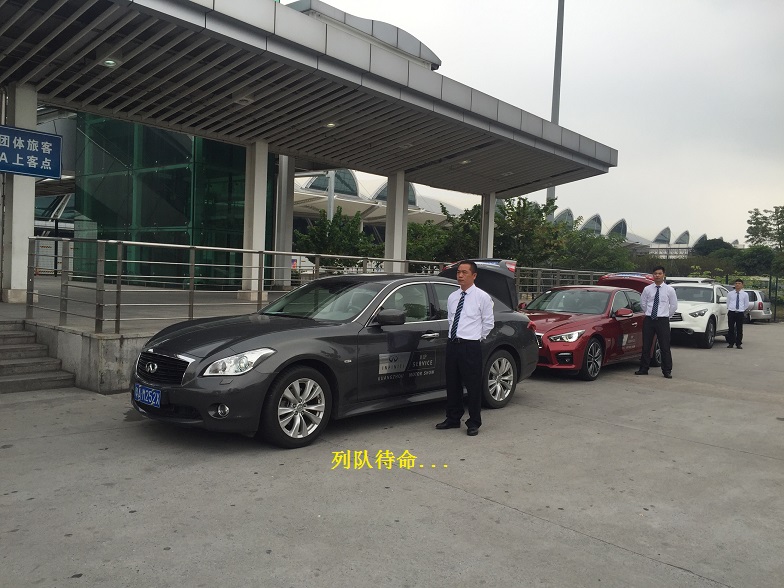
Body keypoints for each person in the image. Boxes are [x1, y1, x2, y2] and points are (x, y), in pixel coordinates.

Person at [436, 260, 494, 436]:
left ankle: (474, 422)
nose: (460, 275)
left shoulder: (482, 297)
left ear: (474, 275)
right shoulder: (453, 297)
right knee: (452, 383)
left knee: (473, 385)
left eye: (464, 272)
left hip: (470, 345)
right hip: (453, 344)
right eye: (458, 272)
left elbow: (488, 323)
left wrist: (475, 337)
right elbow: (451, 319)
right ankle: (453, 418)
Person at [635, 266, 678, 378]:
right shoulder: (647, 289)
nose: (657, 275)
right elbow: (643, 303)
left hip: (662, 320)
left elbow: (673, 306)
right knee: (646, 345)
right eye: (655, 273)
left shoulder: (669, 290)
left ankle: (667, 370)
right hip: (649, 319)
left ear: (664, 275)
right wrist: (649, 313)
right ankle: (644, 368)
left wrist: (666, 315)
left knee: (664, 346)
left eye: (659, 273)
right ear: (652, 275)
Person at [726, 279, 750, 349]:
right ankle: (731, 343)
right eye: (736, 283)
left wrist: (741, 309)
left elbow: (746, 304)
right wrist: (731, 308)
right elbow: (728, 302)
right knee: (731, 328)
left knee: (739, 328)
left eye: (739, 283)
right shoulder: (730, 294)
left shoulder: (745, 294)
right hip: (732, 312)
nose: (737, 285)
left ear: (742, 285)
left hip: (740, 312)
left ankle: (738, 343)